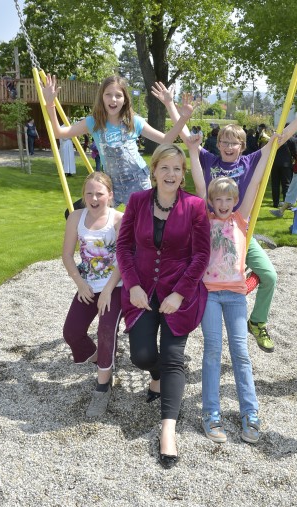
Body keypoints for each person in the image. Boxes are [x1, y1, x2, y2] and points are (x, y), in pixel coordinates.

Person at [152, 81, 297, 353]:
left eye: (234, 143)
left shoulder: (250, 161)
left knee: (269, 276)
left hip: (241, 233)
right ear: (218, 144)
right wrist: (171, 105)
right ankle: (175, 337)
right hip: (208, 236)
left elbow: (279, 139)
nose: (229, 146)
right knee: (188, 280)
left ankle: (257, 321)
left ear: (243, 146)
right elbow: (187, 138)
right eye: (225, 142)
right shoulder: (209, 160)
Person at [116, 144, 210, 469]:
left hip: (179, 294)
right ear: (154, 170)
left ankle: (167, 429)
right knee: (141, 356)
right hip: (142, 291)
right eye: (165, 168)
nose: (171, 174)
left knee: (173, 356)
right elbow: (124, 246)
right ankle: (156, 375)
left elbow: (201, 256)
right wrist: (133, 285)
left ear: (183, 174)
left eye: (177, 169)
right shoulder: (137, 202)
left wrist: (180, 294)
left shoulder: (195, 206)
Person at [186, 130, 280, 444]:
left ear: (235, 201)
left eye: (229, 199)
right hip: (211, 295)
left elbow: (254, 182)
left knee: (241, 353)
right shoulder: (204, 218)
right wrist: (191, 151)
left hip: (236, 297)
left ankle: (250, 414)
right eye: (218, 199)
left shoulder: (241, 220)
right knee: (212, 352)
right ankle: (211, 414)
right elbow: (200, 184)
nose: (224, 204)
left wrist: (269, 149)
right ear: (211, 202)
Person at [42, 74, 194, 207]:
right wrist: (50, 104)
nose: (113, 99)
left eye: (118, 95)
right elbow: (59, 133)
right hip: (111, 184)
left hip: (137, 182)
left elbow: (166, 140)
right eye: (108, 94)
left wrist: (183, 118)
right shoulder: (94, 122)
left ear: (125, 99)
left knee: (141, 225)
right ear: (102, 97)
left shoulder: (134, 121)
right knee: (84, 214)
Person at [62, 172, 123, 417]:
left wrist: (108, 290)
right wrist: (79, 283)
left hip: (114, 287)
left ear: (110, 195)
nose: (94, 198)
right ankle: (101, 359)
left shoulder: (118, 219)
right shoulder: (76, 217)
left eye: (99, 193)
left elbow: (123, 259)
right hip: (87, 285)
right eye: (89, 193)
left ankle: (102, 385)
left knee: (106, 331)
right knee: (72, 333)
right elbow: (67, 255)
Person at [270, 123, 297, 208]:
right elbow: (296, 153)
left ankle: (275, 203)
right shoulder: (292, 139)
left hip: (274, 163)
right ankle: (287, 204)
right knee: (286, 184)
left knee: (275, 184)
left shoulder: (276, 138)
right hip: (286, 165)